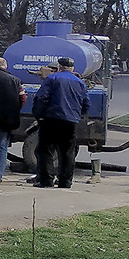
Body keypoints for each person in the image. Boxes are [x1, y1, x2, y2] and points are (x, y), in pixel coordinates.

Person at [31, 56, 89, 188]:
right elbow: (86, 102)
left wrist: (39, 115)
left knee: (45, 150)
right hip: (70, 121)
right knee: (68, 152)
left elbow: (41, 97)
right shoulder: (80, 82)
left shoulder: (52, 78)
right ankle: (65, 181)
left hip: (50, 119)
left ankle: (46, 180)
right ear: (72, 68)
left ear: (59, 67)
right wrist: (78, 115)